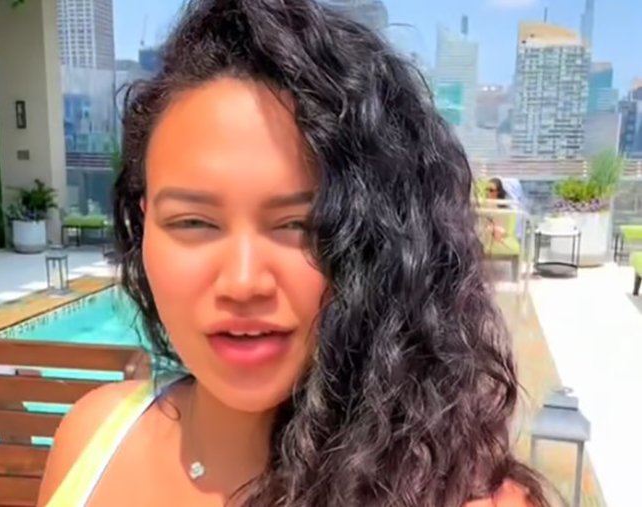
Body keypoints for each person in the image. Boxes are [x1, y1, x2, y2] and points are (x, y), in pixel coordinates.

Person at [37, 1, 552, 506]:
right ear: (144, 222)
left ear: (384, 241)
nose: (242, 282)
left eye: (301, 226)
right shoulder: (92, 436)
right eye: (193, 222)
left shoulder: (464, 498)